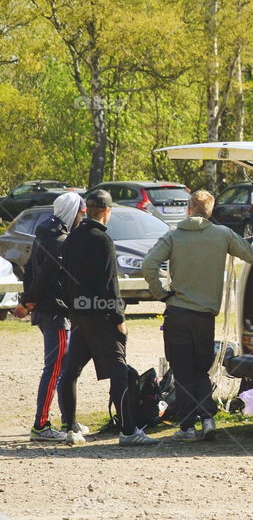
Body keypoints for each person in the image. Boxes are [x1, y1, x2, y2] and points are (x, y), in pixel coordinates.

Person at [143, 190, 253, 442]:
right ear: (211, 211)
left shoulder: (172, 236)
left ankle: (187, 426)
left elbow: (148, 265)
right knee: (201, 369)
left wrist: (162, 294)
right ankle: (207, 418)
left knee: (182, 370)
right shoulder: (222, 234)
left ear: (189, 209)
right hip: (204, 317)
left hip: (178, 313)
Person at [58, 190, 159, 446]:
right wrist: (118, 317)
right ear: (106, 211)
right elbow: (109, 284)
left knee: (71, 371)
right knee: (120, 372)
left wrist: (73, 308)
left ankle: (70, 428)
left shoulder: (72, 237)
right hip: (102, 316)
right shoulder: (102, 239)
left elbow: (64, 278)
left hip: (79, 315)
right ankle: (128, 430)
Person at [15, 193, 85, 441]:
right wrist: (29, 302)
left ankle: (68, 422)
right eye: (81, 211)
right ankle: (41, 425)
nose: (83, 215)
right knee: (55, 369)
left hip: (47, 310)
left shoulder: (43, 234)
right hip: (55, 311)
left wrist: (28, 301)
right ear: (72, 212)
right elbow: (44, 277)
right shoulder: (60, 240)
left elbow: (29, 270)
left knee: (63, 368)